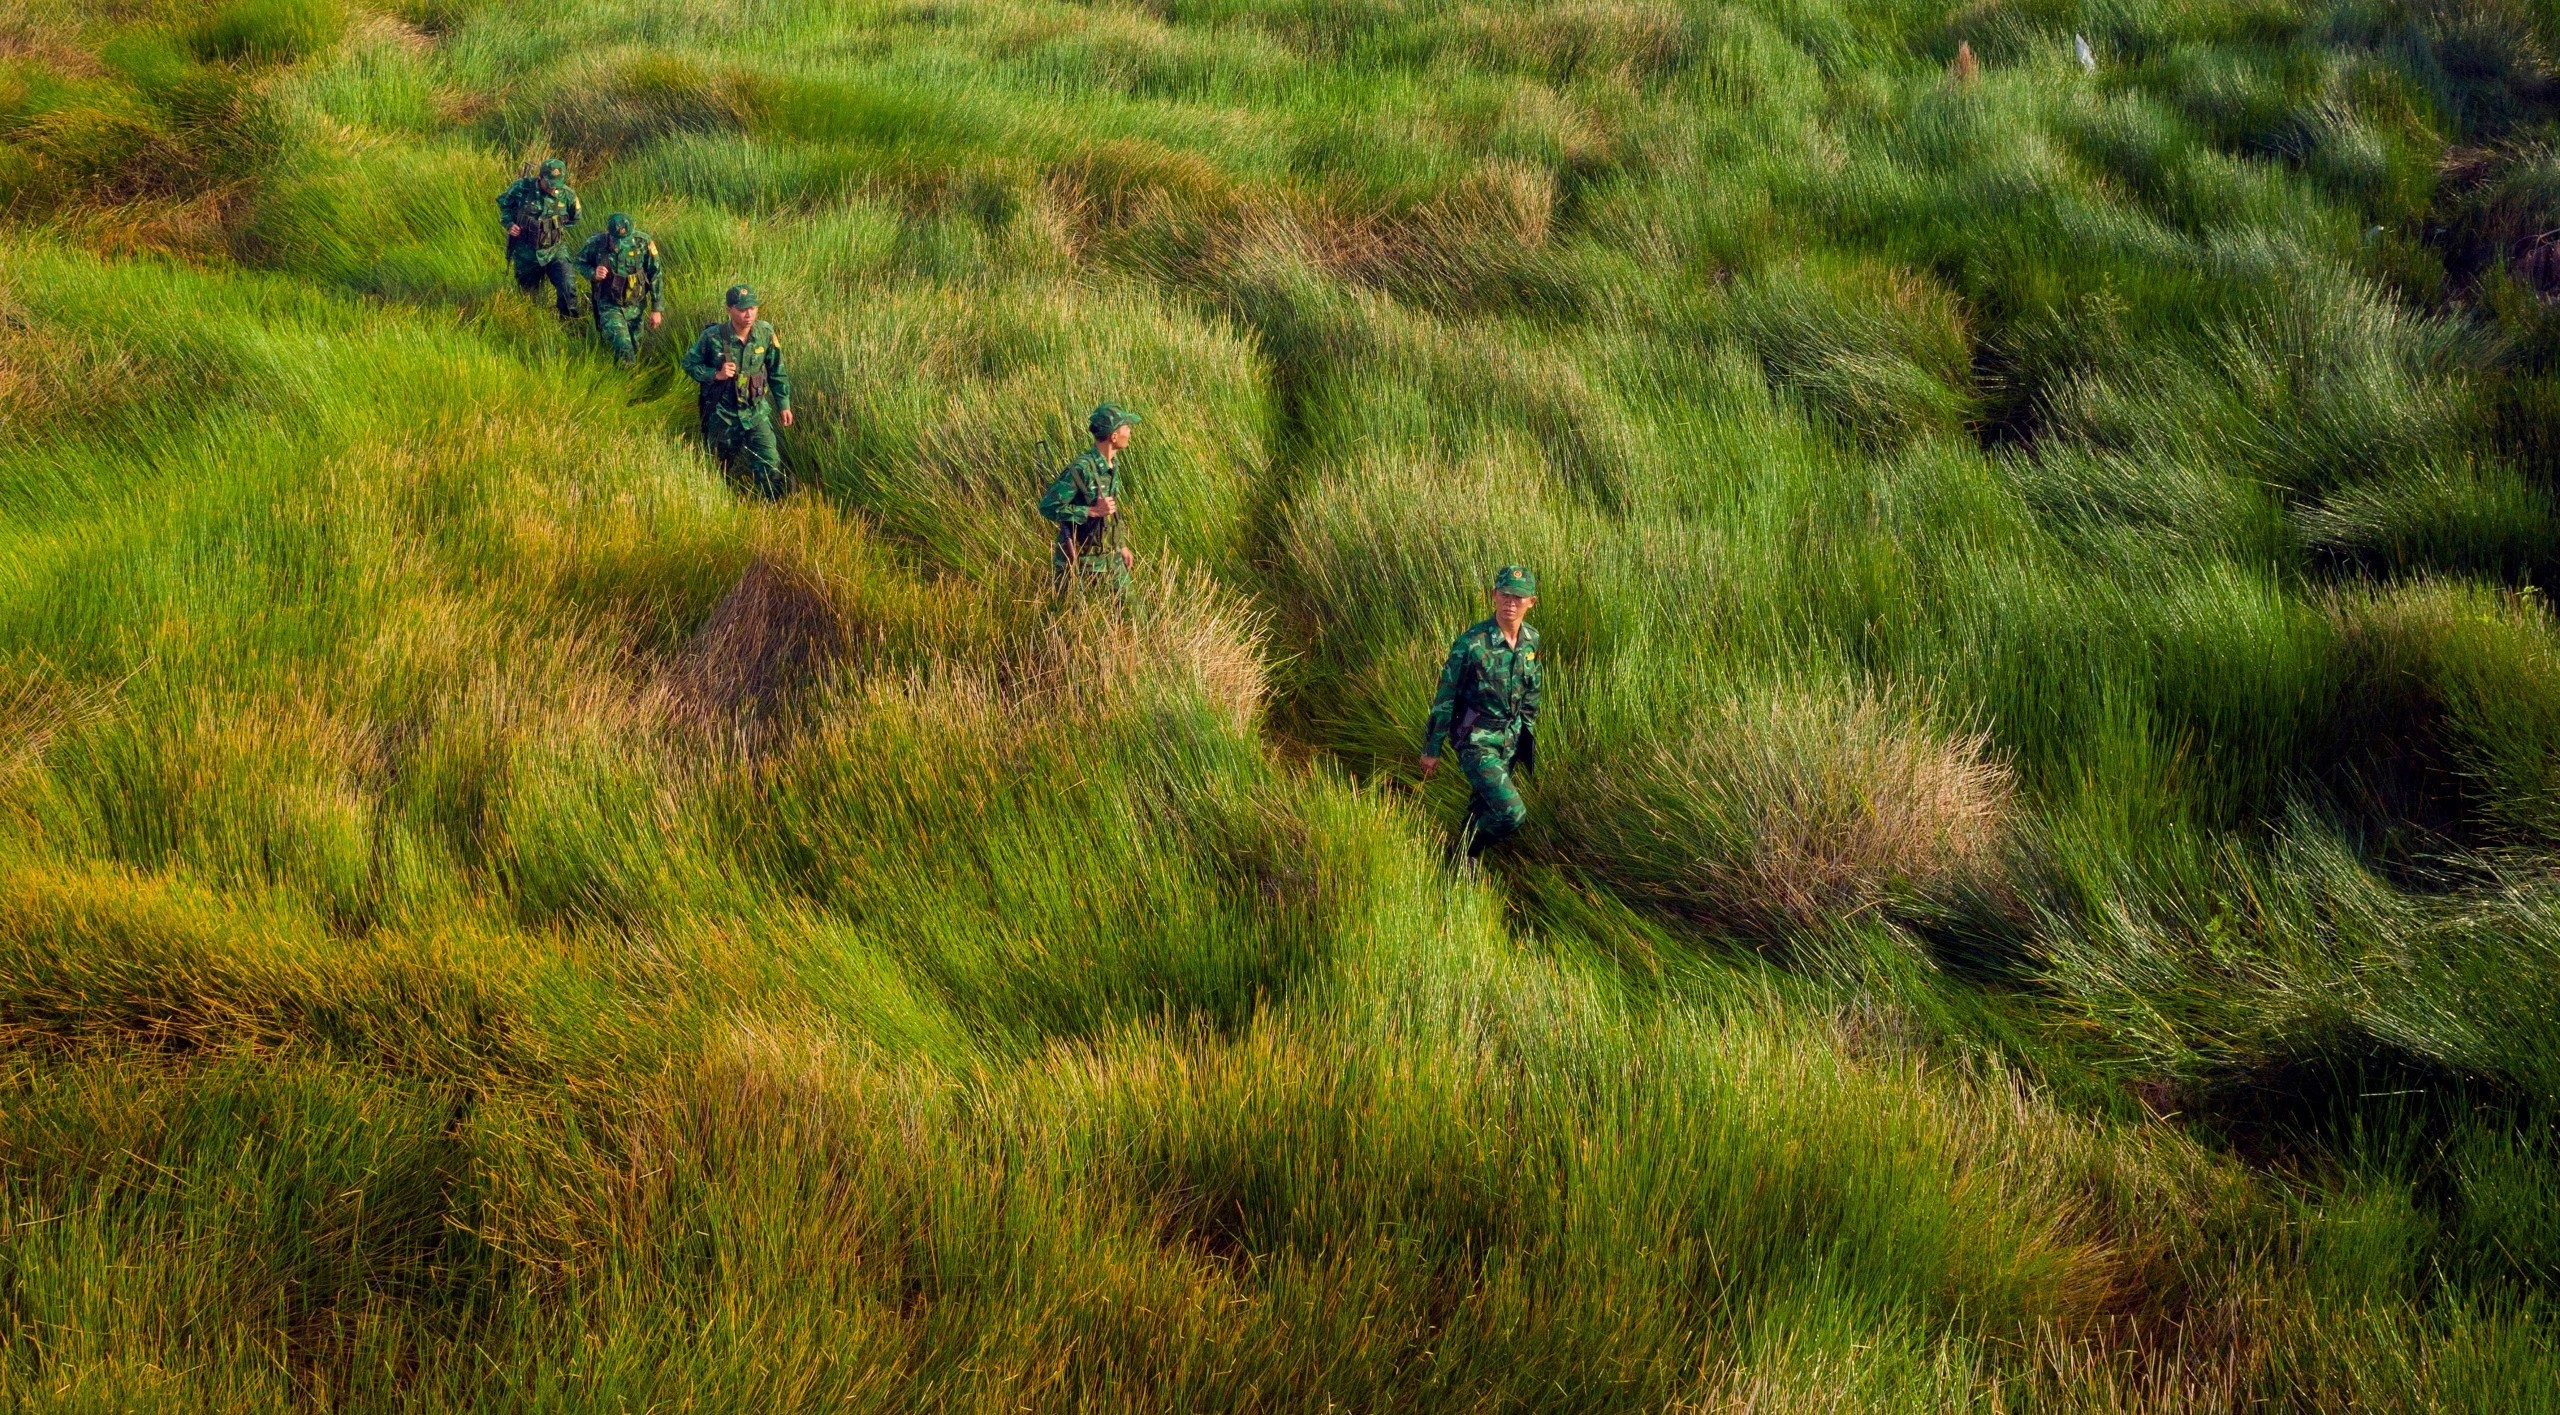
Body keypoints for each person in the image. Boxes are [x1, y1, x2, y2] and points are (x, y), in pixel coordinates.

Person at [1420, 565, 1544, 857]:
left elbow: (1532, 689)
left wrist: (1527, 734)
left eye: (1517, 596)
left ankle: (1460, 868)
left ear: (1531, 602)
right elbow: (1445, 698)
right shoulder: (1471, 644)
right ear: (1493, 596)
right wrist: (1431, 749)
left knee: (1483, 805)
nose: (1510, 602)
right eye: (1504, 595)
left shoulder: (1531, 640)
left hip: (1510, 739)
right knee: (1511, 813)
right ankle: (1462, 852)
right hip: (1476, 739)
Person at [681, 284, 795, 498]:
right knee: (717, 467)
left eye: (752, 308)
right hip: (722, 415)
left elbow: (776, 370)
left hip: (756, 413)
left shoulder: (765, 333)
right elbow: (688, 363)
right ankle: (716, 503)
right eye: (742, 309)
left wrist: (784, 404)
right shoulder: (712, 337)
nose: (748, 314)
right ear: (729, 310)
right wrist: (716, 374)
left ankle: (773, 508)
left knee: (770, 461)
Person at [1039, 403, 1140, 600]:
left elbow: (1112, 514)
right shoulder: (1081, 469)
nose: (1130, 432)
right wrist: (1090, 511)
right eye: (1127, 427)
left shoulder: (1113, 465)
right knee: (1073, 618)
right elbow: (1048, 507)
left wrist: (1121, 545)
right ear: (1114, 436)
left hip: (1110, 558)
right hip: (1081, 560)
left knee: (1133, 614)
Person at [496, 158, 582, 318]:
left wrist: (551, 229)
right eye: (549, 184)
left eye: (557, 184)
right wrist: (509, 223)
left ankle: (570, 325)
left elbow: (575, 218)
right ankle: (533, 324)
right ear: (540, 177)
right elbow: (504, 205)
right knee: (528, 298)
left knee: (567, 288)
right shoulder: (521, 187)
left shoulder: (568, 195)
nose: (553, 188)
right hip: (526, 252)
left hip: (555, 250)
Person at [575, 213, 663, 366]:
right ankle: (628, 383)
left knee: (634, 346)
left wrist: (656, 308)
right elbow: (580, 262)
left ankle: (622, 374)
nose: (620, 245)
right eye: (617, 241)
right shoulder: (595, 243)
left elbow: (655, 274)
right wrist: (593, 273)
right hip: (609, 304)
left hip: (635, 305)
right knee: (624, 346)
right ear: (609, 233)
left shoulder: (643, 242)